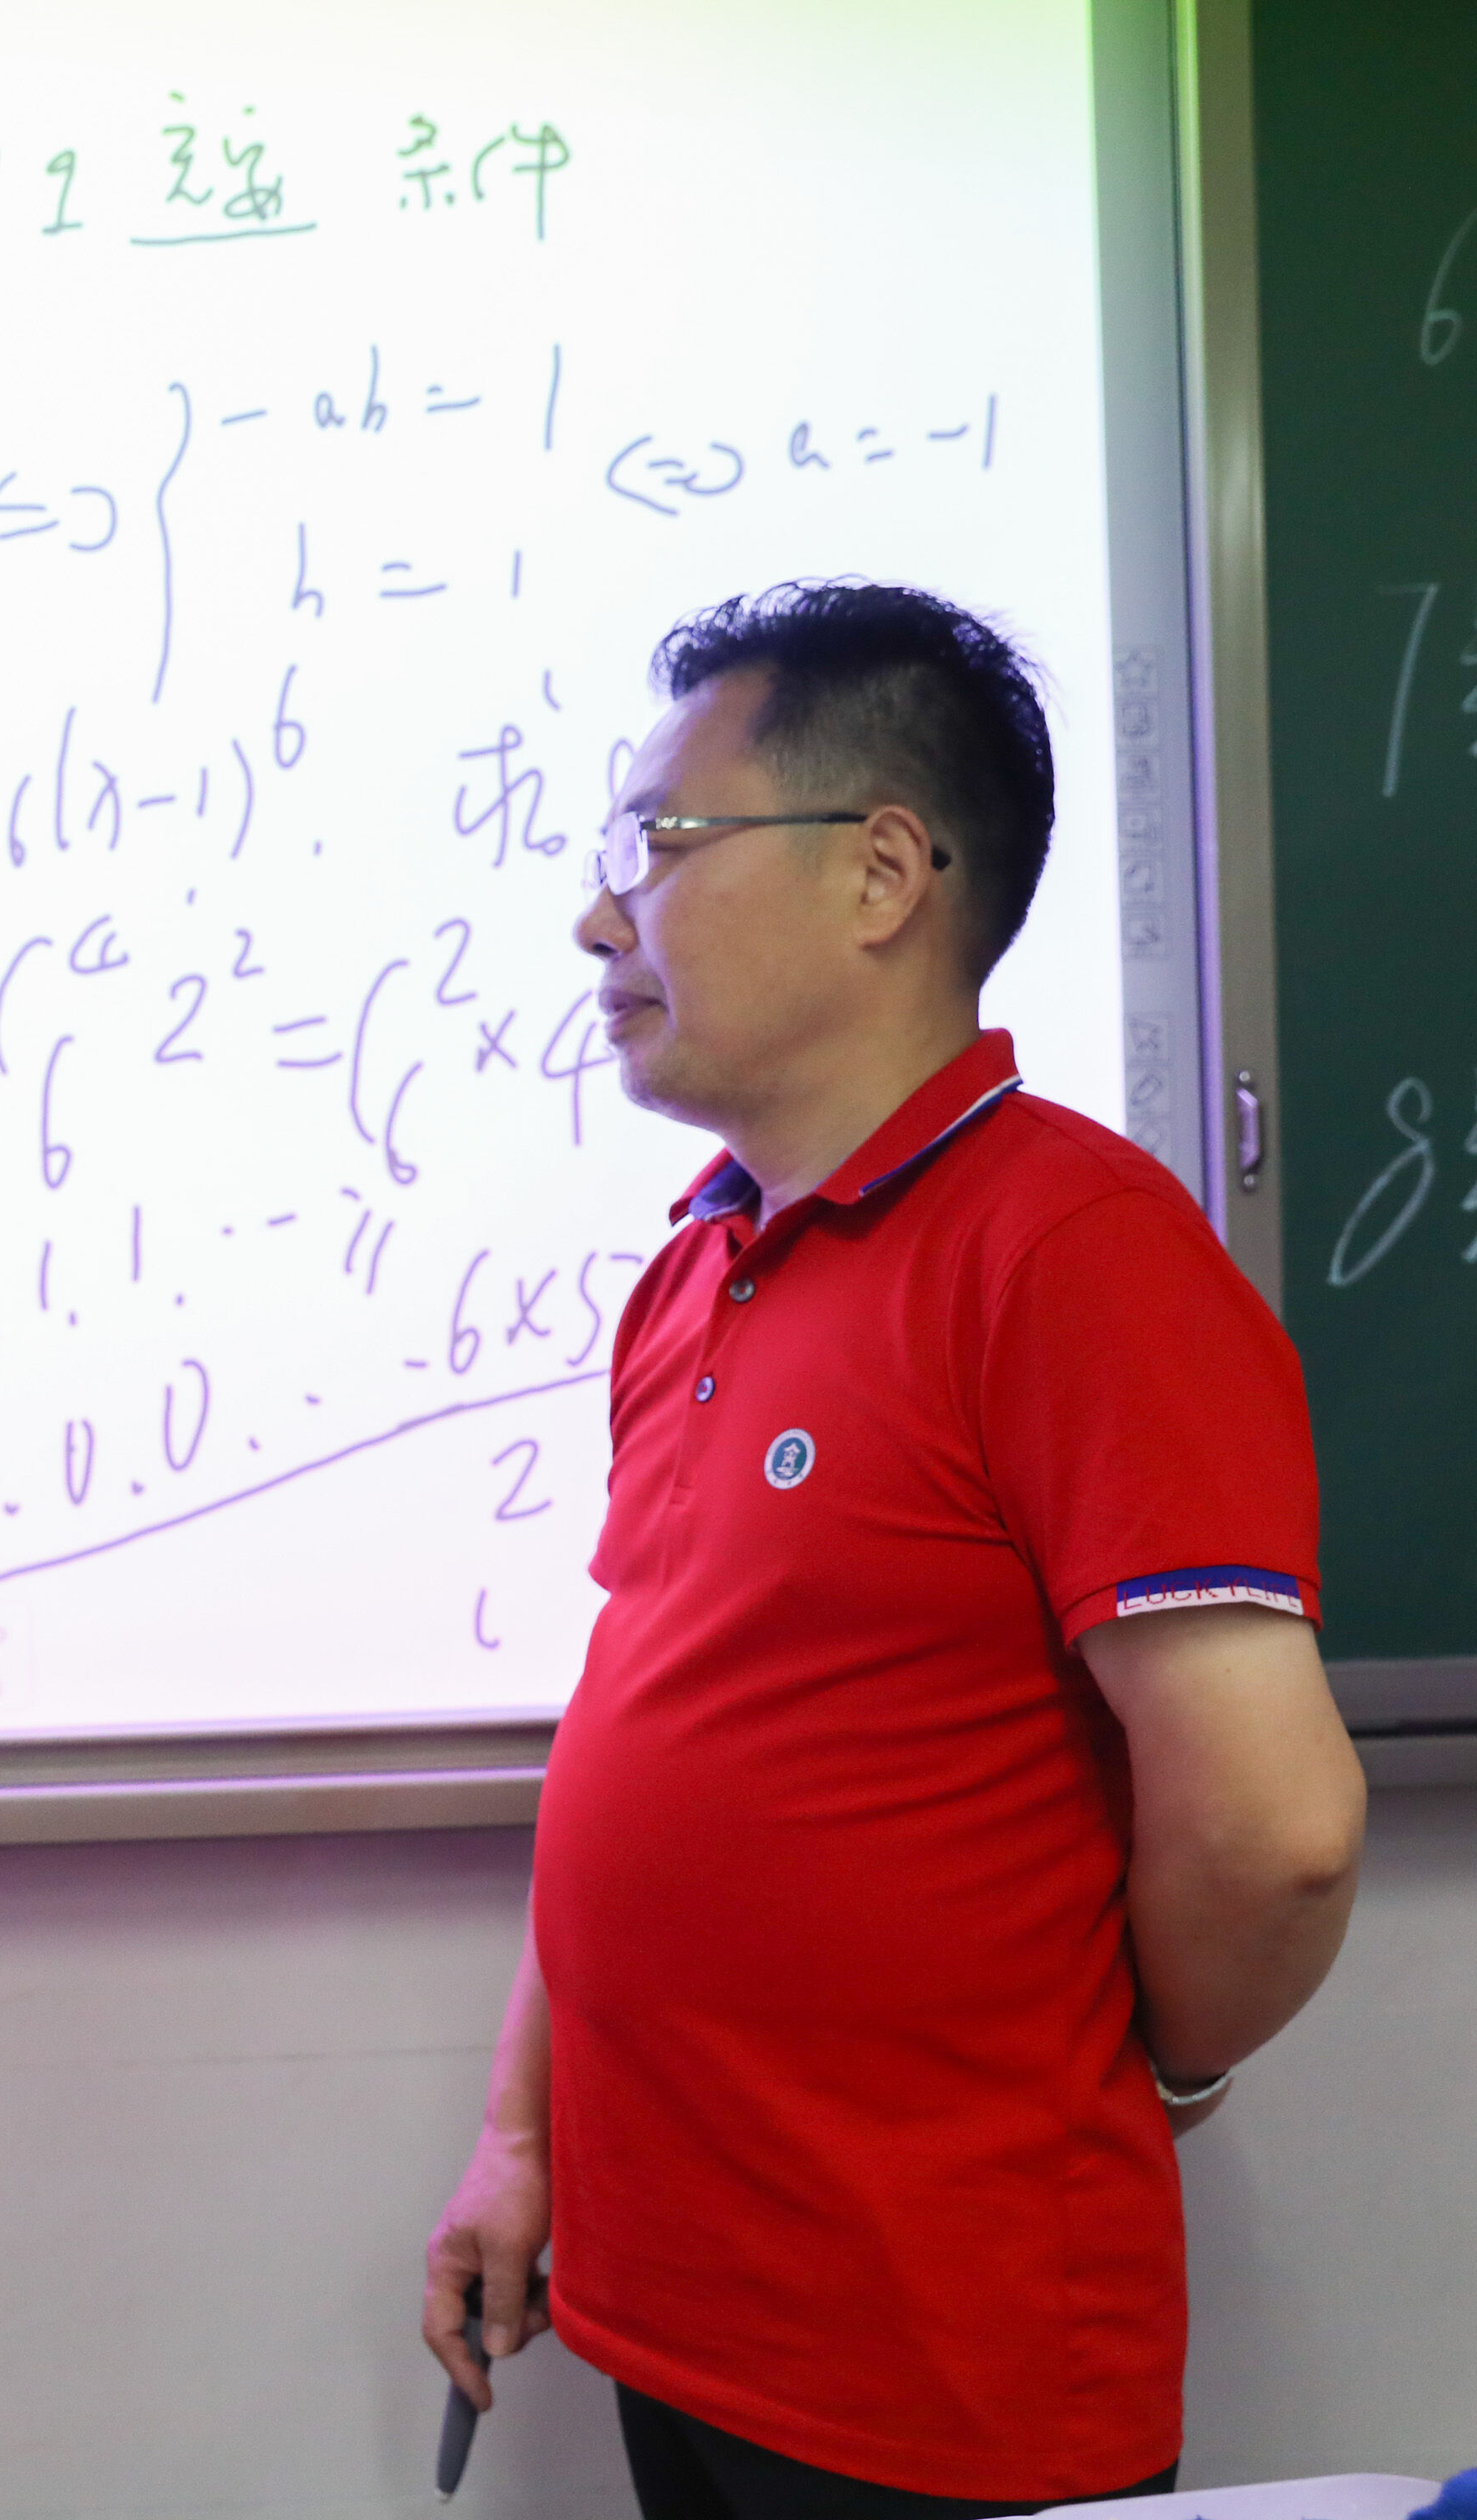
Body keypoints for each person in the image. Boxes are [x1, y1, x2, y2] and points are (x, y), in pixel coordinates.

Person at [422, 583, 1367, 2518]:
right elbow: (644, 1728)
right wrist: (521, 2136)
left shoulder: (1072, 1255)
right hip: (676, 2315)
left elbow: (1275, 1831)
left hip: (938, 2371)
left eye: (661, 845)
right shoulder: (700, 1264)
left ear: (880, 874)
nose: (602, 916)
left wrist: (1155, 2062)